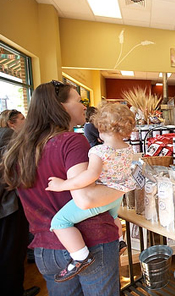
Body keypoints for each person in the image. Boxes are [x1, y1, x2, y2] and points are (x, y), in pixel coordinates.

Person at [1, 80, 125, 295]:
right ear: (60, 107)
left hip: (46, 249)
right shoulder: (72, 142)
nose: (84, 106)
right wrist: (125, 186)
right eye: (78, 100)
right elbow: (85, 199)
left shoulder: (20, 148)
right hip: (91, 244)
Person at [45, 103, 136, 282]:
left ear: (101, 128)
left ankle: (80, 256)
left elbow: (89, 176)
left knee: (59, 222)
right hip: (116, 196)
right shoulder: (128, 149)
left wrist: (63, 184)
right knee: (113, 218)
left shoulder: (99, 151)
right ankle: (119, 242)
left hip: (100, 197)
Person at [0, 110, 40, 296]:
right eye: (22, 118)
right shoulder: (10, 141)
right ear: (11, 123)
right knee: (12, 253)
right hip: (8, 207)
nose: (26, 121)